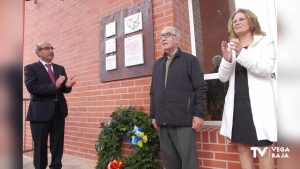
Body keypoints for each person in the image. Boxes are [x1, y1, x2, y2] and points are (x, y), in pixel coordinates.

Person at [218, 9, 277, 169]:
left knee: (264, 149)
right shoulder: (232, 47)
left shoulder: (265, 42)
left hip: (259, 106)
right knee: (243, 148)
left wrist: (241, 53)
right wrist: (227, 59)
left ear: (251, 22)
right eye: (234, 20)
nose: (236, 22)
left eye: (241, 19)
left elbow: (265, 68)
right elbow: (223, 77)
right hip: (239, 106)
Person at [150, 26, 207, 169]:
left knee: (188, 164)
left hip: (184, 122)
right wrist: (153, 115)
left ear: (177, 39)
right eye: (161, 36)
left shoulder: (190, 60)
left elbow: (200, 88)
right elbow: (153, 92)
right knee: (170, 163)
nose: (163, 38)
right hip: (163, 122)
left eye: (167, 35)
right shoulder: (157, 65)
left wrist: (199, 114)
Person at [24, 42, 76, 169]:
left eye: (52, 48)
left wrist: (67, 86)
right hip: (40, 113)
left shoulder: (60, 68)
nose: (51, 50)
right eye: (47, 48)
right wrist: (55, 86)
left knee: (57, 144)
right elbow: (33, 88)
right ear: (39, 52)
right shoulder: (30, 68)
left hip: (58, 111)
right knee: (40, 145)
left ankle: (56, 166)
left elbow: (62, 89)